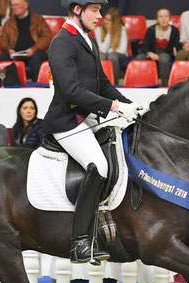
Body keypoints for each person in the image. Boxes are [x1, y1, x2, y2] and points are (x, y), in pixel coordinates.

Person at [45, 0, 138, 263]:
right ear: (77, 9)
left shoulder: (87, 39)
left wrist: (130, 106)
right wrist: (113, 106)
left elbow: (103, 84)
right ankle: (80, 242)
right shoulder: (62, 41)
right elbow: (71, 91)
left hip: (86, 117)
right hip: (66, 121)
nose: (100, 16)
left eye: (99, 10)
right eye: (95, 10)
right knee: (99, 165)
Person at [0, 0, 52, 82]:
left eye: (17, 5)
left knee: (36, 57)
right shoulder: (8, 23)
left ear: (26, 5)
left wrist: (33, 49)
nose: (14, 8)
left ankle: (37, 85)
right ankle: (6, 84)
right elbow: (3, 42)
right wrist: (9, 50)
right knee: (3, 57)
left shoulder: (38, 19)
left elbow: (47, 37)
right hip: (15, 54)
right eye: (13, 5)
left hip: (34, 52)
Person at [134, 8, 180, 86]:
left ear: (170, 18)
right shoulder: (151, 29)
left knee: (163, 57)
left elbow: (178, 46)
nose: (163, 19)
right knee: (139, 57)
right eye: (160, 16)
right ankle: (140, 84)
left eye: (166, 16)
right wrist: (150, 54)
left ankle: (165, 86)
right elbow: (144, 46)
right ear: (157, 19)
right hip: (151, 54)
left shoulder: (174, 30)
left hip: (165, 55)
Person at [94, 7, 129, 82]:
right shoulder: (98, 30)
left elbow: (122, 50)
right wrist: (109, 34)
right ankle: (101, 82)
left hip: (121, 56)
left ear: (115, 22)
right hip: (106, 54)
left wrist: (107, 50)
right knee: (101, 56)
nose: (106, 22)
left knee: (112, 55)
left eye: (109, 20)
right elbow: (103, 50)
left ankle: (114, 83)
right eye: (105, 19)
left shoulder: (122, 29)